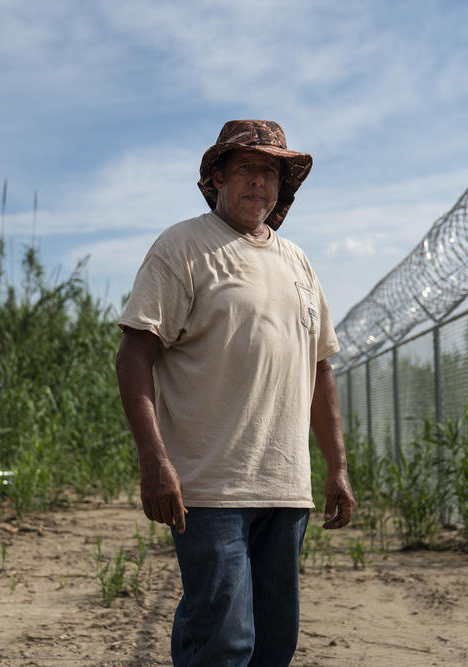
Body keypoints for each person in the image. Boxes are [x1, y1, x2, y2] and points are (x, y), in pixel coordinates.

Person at [115, 119, 355, 667]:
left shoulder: (297, 261)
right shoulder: (184, 247)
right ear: (217, 177)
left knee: (275, 644)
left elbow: (320, 369)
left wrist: (336, 467)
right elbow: (135, 355)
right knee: (224, 640)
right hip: (207, 488)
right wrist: (154, 462)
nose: (259, 182)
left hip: (285, 486)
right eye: (246, 167)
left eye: (271, 171)